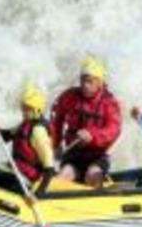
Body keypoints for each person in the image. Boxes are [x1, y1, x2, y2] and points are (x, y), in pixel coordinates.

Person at [50, 56, 122, 187]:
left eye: (89, 81)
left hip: (97, 156)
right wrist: (55, 144)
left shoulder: (109, 103)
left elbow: (114, 129)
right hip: (74, 155)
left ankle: (98, 190)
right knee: (62, 178)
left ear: (99, 83)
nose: (85, 85)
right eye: (82, 80)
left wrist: (92, 135)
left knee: (92, 175)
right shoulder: (69, 96)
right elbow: (56, 119)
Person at [0, 83, 55, 191]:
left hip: (28, 179)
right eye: (23, 107)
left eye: (27, 108)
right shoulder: (26, 124)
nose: (23, 111)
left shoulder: (38, 132)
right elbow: (6, 136)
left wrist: (39, 192)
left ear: (36, 110)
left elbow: (49, 168)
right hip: (17, 169)